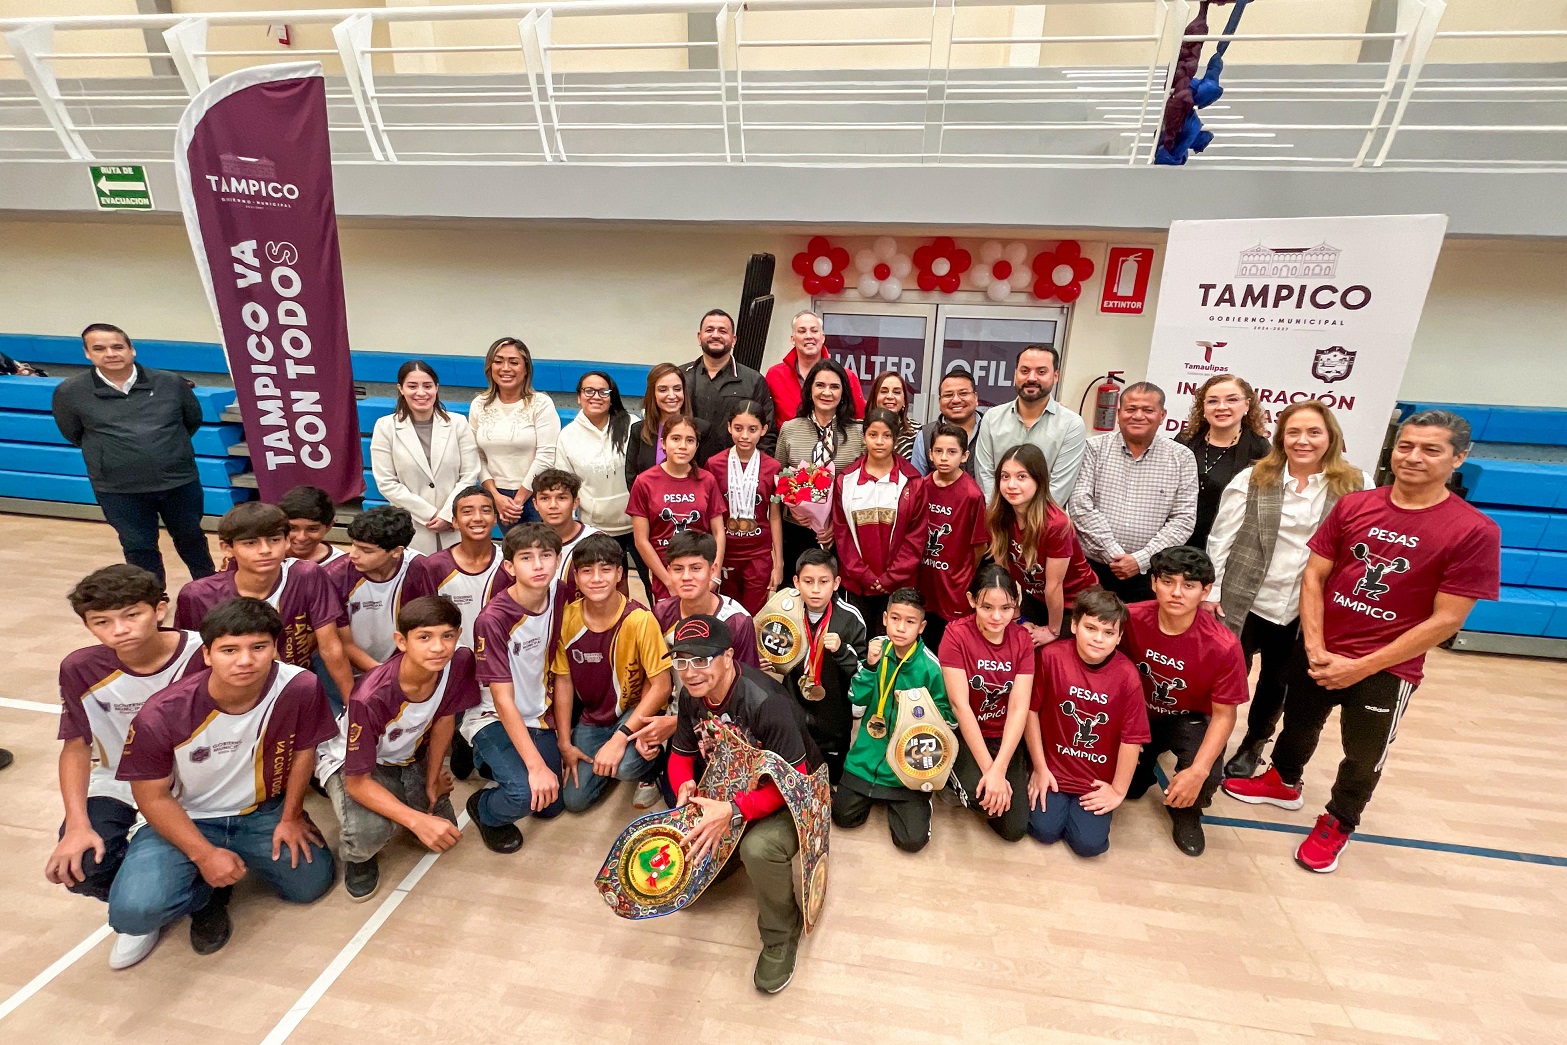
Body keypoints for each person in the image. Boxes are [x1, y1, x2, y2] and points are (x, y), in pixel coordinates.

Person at [1223, 409, 1501, 874]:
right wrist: (1314, 644)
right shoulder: (1357, 505)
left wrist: (1364, 665)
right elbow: (1315, 576)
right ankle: (1284, 781)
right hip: (1321, 648)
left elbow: (1447, 619)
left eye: (1431, 449)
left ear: (1459, 458)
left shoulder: (1474, 530)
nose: (1413, 457)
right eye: (1406, 446)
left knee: (1363, 752)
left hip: (1388, 668)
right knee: (1298, 722)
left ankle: (1339, 820)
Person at [108, 598, 337, 960]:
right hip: (188, 816)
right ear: (208, 654)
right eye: (229, 649)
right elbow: (152, 798)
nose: (245, 661)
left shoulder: (300, 686)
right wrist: (204, 855)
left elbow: (303, 751)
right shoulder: (162, 714)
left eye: (258, 647)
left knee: (309, 886)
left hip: (262, 810)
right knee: (134, 913)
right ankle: (202, 894)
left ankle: (223, 865)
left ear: (275, 648)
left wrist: (291, 815)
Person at [48, 565, 206, 970]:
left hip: (199, 783)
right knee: (80, 865)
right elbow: (77, 745)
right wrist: (77, 823)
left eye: (131, 614)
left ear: (159, 609)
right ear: (88, 626)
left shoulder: (204, 652)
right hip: (119, 782)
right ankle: (150, 905)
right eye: (102, 622)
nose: (119, 630)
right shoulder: (79, 668)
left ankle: (202, 896)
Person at [1206, 402, 1365, 780]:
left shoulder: (1356, 485)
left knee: (1277, 681)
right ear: (1281, 439)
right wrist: (1212, 593)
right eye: (1293, 433)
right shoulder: (1254, 478)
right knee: (1227, 675)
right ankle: (1208, 744)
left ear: (1331, 437)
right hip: (1246, 596)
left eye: (1314, 432)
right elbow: (1222, 536)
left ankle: (1253, 744)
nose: (1303, 441)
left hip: (1304, 605)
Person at [666, 614, 824, 993]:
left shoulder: (767, 702)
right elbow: (680, 754)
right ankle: (726, 850)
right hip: (732, 783)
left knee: (759, 848)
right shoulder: (692, 694)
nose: (690, 672)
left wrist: (735, 811)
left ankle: (780, 933)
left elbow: (796, 782)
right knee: (686, 866)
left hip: (794, 795)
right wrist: (684, 785)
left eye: (702, 660)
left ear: (728, 657)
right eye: (682, 661)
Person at [315, 596, 478, 901]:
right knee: (371, 833)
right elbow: (358, 782)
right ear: (401, 642)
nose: (438, 647)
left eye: (447, 636)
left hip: (406, 756)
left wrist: (431, 780)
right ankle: (357, 858)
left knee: (442, 832)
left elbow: (444, 719)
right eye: (424, 637)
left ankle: (402, 795)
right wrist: (416, 820)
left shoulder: (458, 663)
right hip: (353, 764)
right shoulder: (370, 697)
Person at [51, 322, 215, 586]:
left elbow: (191, 421)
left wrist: (168, 451)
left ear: (132, 350)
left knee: (192, 538)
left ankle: (210, 591)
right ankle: (152, 602)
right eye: (99, 348)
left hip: (178, 481)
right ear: (87, 354)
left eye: (117, 346)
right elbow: (74, 433)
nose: (111, 353)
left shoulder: (170, 383)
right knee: (139, 548)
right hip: (119, 489)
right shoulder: (70, 392)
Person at [1119, 547, 1248, 857]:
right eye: (1168, 581)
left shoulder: (1224, 645)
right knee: (1132, 789)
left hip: (1186, 718)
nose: (1176, 593)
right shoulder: (1129, 617)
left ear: (1205, 591)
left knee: (1206, 771)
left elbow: (1224, 717)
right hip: (1136, 715)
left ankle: (1187, 812)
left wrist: (1198, 771)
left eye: (1189, 585)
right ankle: (1144, 767)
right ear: (1153, 583)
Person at [173, 502, 354, 712]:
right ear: (227, 548)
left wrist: (351, 705)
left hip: (298, 682)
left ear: (287, 541)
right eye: (250, 543)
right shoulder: (198, 595)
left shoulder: (308, 575)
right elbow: (193, 659)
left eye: (274, 540)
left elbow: (330, 646)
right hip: (234, 694)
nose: (265, 550)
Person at [551, 535, 673, 813]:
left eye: (605, 569)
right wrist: (564, 741)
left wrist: (620, 739)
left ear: (620, 573)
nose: (596, 578)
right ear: (576, 577)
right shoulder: (566, 619)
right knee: (574, 801)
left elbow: (662, 687)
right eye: (587, 571)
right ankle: (608, 762)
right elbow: (564, 680)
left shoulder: (639, 619)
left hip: (635, 711)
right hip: (593, 718)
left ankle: (651, 767)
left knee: (627, 766)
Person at [1024, 589, 1147, 857]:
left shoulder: (1127, 676)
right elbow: (1030, 712)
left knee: (1088, 845)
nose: (1098, 639)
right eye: (1091, 628)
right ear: (1074, 625)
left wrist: (1117, 791)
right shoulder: (1050, 657)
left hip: (1094, 782)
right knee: (1043, 831)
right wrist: (1039, 768)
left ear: (1119, 637)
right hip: (1053, 772)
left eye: (1108, 632)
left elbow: (1132, 738)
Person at [468, 523, 567, 852]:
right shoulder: (493, 619)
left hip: (538, 713)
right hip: (493, 715)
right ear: (509, 566)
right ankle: (484, 809)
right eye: (526, 557)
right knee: (525, 795)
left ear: (558, 559)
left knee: (550, 804)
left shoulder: (561, 592)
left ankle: (488, 763)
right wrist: (536, 766)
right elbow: (502, 700)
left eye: (546, 555)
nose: (538, 565)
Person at [833, 588, 954, 852]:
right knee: (843, 818)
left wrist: (917, 708)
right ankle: (872, 789)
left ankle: (921, 800)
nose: (900, 628)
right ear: (885, 618)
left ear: (921, 626)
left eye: (909, 622)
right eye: (895, 619)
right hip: (866, 758)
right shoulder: (876, 650)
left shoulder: (931, 667)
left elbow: (950, 721)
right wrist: (871, 666)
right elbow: (856, 696)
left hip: (908, 766)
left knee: (911, 842)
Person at [1069, 381, 1197, 604]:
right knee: (1089, 633)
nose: (1138, 416)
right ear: (1119, 413)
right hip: (1094, 568)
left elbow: (1183, 520)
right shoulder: (1094, 448)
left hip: (1149, 575)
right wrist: (1114, 554)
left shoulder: (1182, 458)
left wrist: (1140, 560)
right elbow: (1080, 505)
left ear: (1162, 414)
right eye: (1131, 409)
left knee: (1137, 636)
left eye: (1148, 410)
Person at [940, 566, 1035, 842]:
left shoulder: (1021, 641)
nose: (996, 617)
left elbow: (1019, 707)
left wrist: (999, 769)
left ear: (1015, 604)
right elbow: (961, 706)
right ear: (971, 600)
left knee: (1014, 830)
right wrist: (989, 771)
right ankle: (952, 780)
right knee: (977, 793)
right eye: (987, 607)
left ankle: (991, 783)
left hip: (1004, 737)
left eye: (1006, 608)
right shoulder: (956, 634)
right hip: (966, 734)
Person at [988, 444, 1098, 648]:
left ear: (1039, 481)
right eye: (1005, 476)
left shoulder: (1056, 524)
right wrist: (1016, 614)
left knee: (1052, 655)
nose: (1011, 485)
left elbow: (1054, 586)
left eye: (1021, 477)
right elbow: (1003, 571)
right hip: (1036, 596)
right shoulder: (999, 515)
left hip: (1076, 603)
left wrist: (1052, 630)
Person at [370, 360, 480, 554]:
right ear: (400, 389)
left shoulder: (458, 423)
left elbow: (469, 474)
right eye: (412, 386)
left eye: (427, 386)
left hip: (454, 526)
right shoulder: (385, 427)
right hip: (412, 527)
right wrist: (430, 514)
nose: (421, 393)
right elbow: (386, 482)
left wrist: (448, 515)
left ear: (436, 388)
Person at [780, 548, 868, 783]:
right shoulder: (784, 612)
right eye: (808, 581)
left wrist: (841, 651)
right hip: (794, 704)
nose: (816, 589)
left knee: (833, 778)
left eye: (824, 581)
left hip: (835, 711)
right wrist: (770, 660)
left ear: (836, 583)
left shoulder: (850, 617)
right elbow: (768, 643)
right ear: (797, 582)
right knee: (796, 769)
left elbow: (863, 671)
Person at [832, 407, 922, 634]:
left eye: (887, 436)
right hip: (857, 586)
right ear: (864, 436)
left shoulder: (912, 481)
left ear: (896, 438)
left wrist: (891, 578)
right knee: (858, 646)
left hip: (898, 587)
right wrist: (864, 575)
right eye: (873, 435)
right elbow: (842, 535)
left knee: (892, 648)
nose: (879, 442)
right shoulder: (846, 480)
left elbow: (916, 536)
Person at [775, 357, 866, 572]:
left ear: (843, 392)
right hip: (797, 531)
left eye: (834, 386)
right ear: (809, 390)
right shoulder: (790, 428)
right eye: (820, 385)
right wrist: (793, 510)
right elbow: (779, 478)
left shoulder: (858, 432)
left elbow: (863, 487)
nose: (827, 392)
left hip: (844, 534)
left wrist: (837, 523)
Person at [628, 417, 727, 603]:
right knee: (670, 629)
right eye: (676, 439)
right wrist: (668, 581)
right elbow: (641, 540)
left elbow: (718, 531)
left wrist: (714, 572)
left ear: (697, 446)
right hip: (666, 574)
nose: (683, 446)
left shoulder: (707, 480)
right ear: (663, 444)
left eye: (690, 440)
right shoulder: (644, 482)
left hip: (702, 574)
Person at [973, 345, 1086, 506]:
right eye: (1024, 371)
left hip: (1044, 524)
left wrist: (1029, 522)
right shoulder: (992, 418)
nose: (1031, 378)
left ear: (1055, 376)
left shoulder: (1071, 425)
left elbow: (1059, 487)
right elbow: (985, 476)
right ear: (1015, 374)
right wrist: (999, 518)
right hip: (997, 523)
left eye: (1041, 372)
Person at [557, 370, 639, 592]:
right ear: (578, 396)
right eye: (589, 391)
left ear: (612, 395)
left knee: (653, 586)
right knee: (613, 588)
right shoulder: (567, 436)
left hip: (638, 524)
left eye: (603, 391)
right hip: (596, 528)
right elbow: (566, 484)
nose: (596, 396)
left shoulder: (632, 425)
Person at [402, 486, 512, 651]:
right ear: (454, 522)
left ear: (495, 518)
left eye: (486, 511)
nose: (477, 518)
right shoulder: (434, 566)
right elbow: (424, 621)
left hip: (502, 659)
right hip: (453, 663)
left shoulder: (510, 563)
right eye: (467, 512)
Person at [469, 337, 562, 530]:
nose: (505, 368)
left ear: (526, 368)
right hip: (498, 497)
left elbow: (546, 455)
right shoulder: (479, 404)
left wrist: (518, 500)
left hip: (536, 495)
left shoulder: (541, 403)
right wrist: (496, 496)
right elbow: (475, 455)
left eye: (513, 362)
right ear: (490, 366)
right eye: (498, 361)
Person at [912, 422, 988, 652]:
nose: (944, 457)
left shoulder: (972, 495)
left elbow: (980, 546)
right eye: (939, 451)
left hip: (953, 588)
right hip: (924, 582)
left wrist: (962, 573)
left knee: (947, 649)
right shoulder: (921, 487)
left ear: (964, 456)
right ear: (930, 454)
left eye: (952, 452)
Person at [1176, 373, 1271, 549]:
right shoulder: (1184, 441)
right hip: (1175, 543)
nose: (1221, 407)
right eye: (1212, 401)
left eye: (1232, 400)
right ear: (1202, 407)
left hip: (1225, 547)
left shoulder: (1260, 450)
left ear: (1247, 405)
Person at [706, 399, 784, 614]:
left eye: (753, 429)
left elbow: (774, 516)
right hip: (726, 553)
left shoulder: (773, 467)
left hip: (758, 554)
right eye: (738, 428)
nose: (745, 436)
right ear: (729, 426)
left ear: (764, 430)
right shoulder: (714, 464)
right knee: (724, 613)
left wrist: (779, 563)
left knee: (753, 616)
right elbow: (712, 515)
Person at [327, 505, 423, 669]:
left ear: (396, 551)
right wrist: (380, 674)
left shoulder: (421, 569)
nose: (353, 554)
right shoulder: (335, 576)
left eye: (366, 550)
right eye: (353, 545)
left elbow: (425, 629)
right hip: (347, 666)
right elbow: (342, 642)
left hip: (404, 664)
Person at [649, 531, 760, 668]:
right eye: (678, 569)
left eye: (695, 568)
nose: (686, 577)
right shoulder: (661, 613)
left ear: (712, 570)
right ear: (669, 571)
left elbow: (746, 680)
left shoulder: (737, 621)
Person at [681, 308, 777, 457]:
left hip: (734, 471)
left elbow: (767, 433)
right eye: (709, 330)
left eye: (722, 331)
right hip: (686, 470)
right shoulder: (680, 377)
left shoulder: (753, 380)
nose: (715, 335)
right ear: (699, 337)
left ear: (733, 340)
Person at [764, 309, 866, 424]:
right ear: (793, 339)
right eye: (802, 331)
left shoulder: (847, 377)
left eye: (814, 331)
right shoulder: (775, 375)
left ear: (822, 337)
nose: (808, 336)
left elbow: (860, 420)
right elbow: (766, 422)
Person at [626, 362, 721, 485]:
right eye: (663, 389)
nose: (671, 395)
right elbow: (632, 477)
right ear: (653, 394)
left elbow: (708, 479)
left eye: (677, 389)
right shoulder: (639, 430)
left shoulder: (703, 429)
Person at [533, 467, 618, 601]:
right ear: (535, 504)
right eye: (545, 498)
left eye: (561, 498)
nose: (553, 505)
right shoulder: (525, 543)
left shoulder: (598, 541)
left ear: (575, 503)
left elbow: (617, 595)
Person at [911, 367, 986, 479]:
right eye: (948, 395)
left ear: (975, 398)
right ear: (939, 402)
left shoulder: (991, 429)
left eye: (963, 393)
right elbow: (916, 483)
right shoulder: (925, 435)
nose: (956, 400)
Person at [276, 485, 345, 567]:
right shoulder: (264, 559)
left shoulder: (343, 566)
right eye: (292, 528)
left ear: (329, 526)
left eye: (312, 529)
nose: (301, 537)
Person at [867, 371, 921, 461]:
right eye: (884, 391)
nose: (890, 396)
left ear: (904, 399)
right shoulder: (860, 429)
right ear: (874, 397)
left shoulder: (917, 431)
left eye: (896, 392)